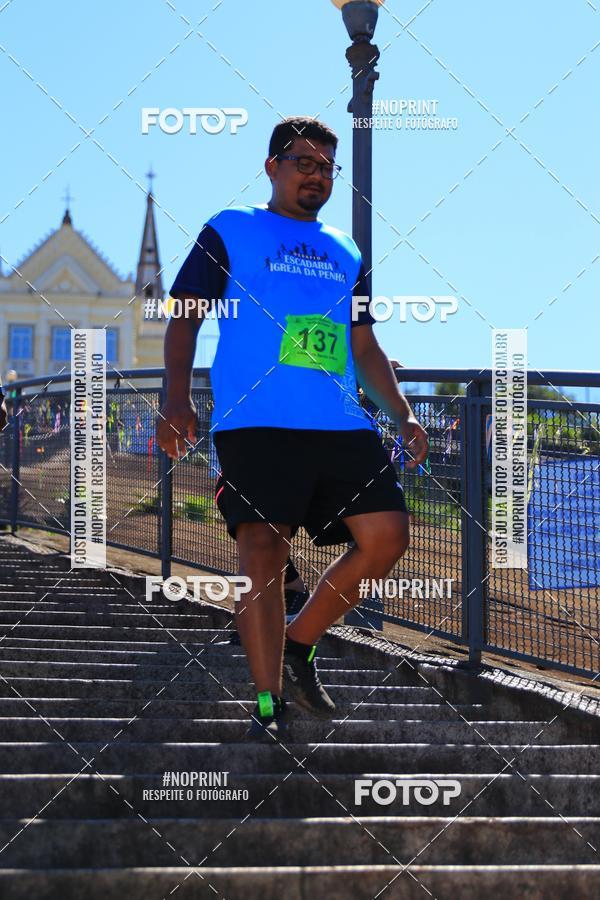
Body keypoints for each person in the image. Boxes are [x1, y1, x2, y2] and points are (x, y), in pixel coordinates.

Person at [157, 116, 428, 741]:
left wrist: (403, 412)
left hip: (338, 420)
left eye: (328, 167)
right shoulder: (229, 229)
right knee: (264, 553)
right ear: (272, 166)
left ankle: (300, 643)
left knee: (387, 537)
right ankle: (268, 705)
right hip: (254, 421)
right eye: (304, 163)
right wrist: (176, 397)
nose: (318, 176)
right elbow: (184, 319)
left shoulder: (346, 250)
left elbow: (363, 344)